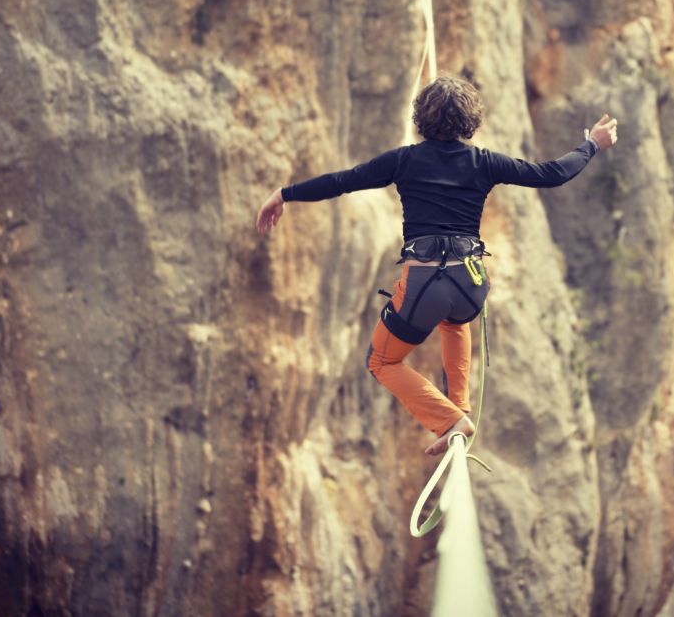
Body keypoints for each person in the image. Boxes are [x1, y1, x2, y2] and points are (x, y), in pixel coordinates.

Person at [256, 76, 618, 456]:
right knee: (455, 320)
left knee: (381, 361)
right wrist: (592, 143)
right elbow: (552, 174)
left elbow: (342, 181)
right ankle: (458, 408)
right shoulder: (485, 162)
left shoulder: (403, 160)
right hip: (471, 283)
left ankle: (450, 419)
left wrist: (285, 194)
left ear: (420, 118)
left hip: (426, 280)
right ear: (471, 121)